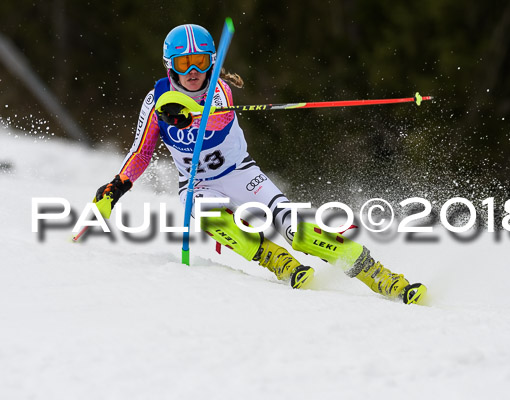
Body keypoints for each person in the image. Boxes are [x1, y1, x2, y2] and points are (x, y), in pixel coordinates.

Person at [94, 24, 426, 304]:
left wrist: (188, 119)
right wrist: (117, 186)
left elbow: (216, 124)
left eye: (200, 62)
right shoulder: (154, 103)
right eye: (184, 64)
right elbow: (141, 152)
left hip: (240, 173)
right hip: (197, 184)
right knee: (210, 218)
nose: (193, 72)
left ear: (212, 63)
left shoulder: (219, 91)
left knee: (297, 229)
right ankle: (277, 261)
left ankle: (381, 277)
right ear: (170, 66)